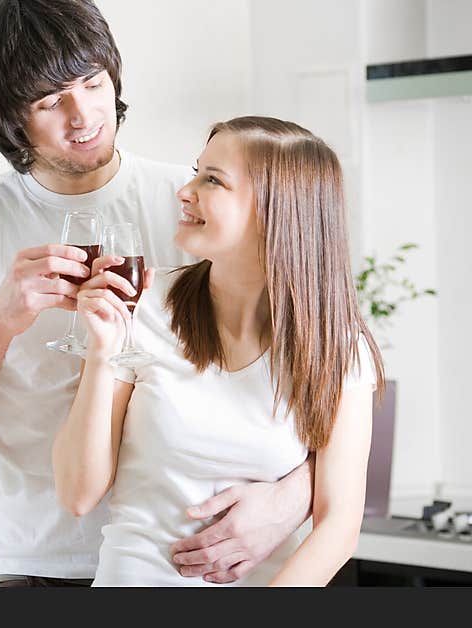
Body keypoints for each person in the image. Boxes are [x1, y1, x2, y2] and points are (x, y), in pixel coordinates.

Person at [0, 0, 313, 587]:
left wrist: (296, 497)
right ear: (10, 121)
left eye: (92, 82)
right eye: (49, 102)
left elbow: (335, 375)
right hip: (42, 570)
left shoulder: (194, 205)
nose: (84, 114)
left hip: (192, 567)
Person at [53, 116, 385, 586]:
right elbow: (76, 493)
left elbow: (339, 529)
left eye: (212, 180)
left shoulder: (338, 348)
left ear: (276, 210)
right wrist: (104, 347)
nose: (184, 191)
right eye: (196, 172)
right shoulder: (144, 306)